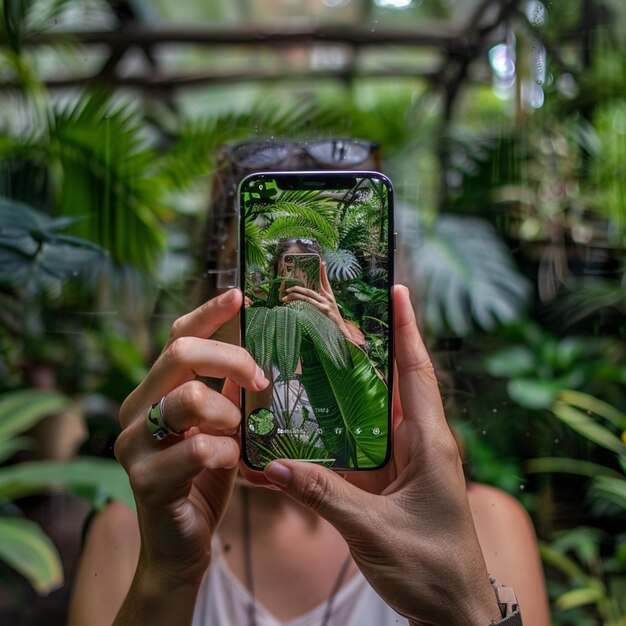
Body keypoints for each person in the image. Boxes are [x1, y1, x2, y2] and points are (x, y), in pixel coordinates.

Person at [68, 285, 550, 626]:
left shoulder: (480, 527)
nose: (294, 353)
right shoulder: (134, 531)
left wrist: (463, 611)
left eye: (318, 308)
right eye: (264, 293)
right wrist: (167, 575)